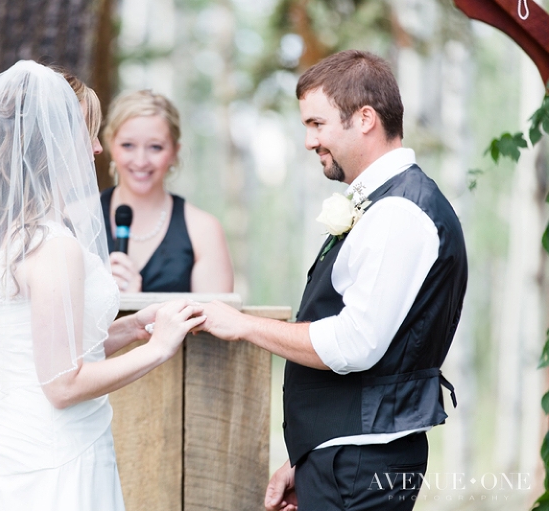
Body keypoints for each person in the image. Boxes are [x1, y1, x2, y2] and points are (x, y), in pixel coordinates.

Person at [198, 50, 467, 511]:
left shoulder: (400, 213)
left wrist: (243, 325)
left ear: (364, 119)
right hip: (347, 458)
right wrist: (311, 456)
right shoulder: (385, 203)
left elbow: (353, 344)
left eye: (317, 124)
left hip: (363, 464)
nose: (309, 140)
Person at [0, 60, 206, 511]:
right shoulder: (53, 246)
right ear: (51, 142)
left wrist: (130, 331)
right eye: (87, 132)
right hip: (54, 461)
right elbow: (62, 384)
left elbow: (49, 350)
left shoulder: (24, 234)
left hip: (20, 447)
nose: (96, 148)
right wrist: (158, 349)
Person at [100, 90, 234, 293]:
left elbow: (216, 323)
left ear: (174, 152)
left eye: (155, 147)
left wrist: (136, 304)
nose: (140, 161)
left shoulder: (203, 231)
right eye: (128, 145)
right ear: (110, 145)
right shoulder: (75, 220)